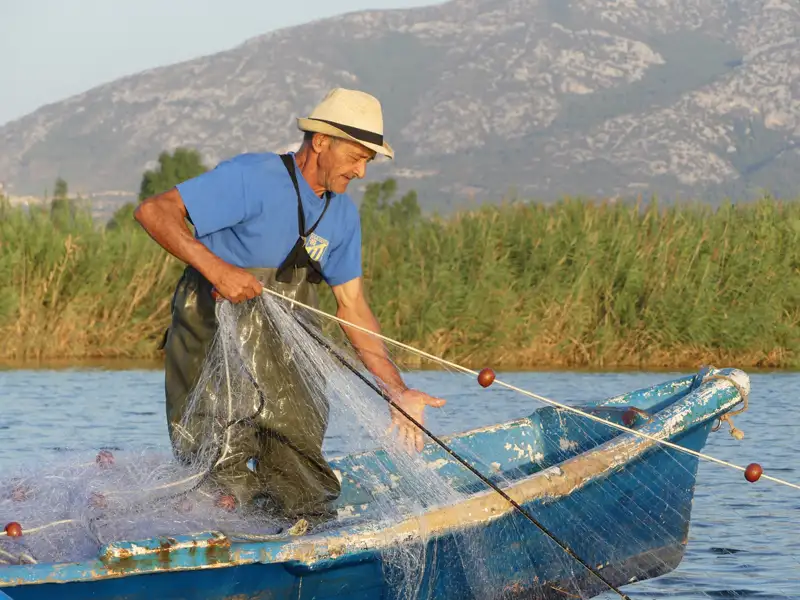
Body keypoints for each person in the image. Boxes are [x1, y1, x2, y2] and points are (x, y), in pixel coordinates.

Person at [134, 88, 446, 525]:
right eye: (356, 157)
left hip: (286, 351)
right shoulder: (253, 176)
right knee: (217, 456)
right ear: (321, 141)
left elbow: (353, 306)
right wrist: (218, 270)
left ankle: (304, 537)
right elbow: (154, 211)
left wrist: (397, 390)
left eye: (367, 162)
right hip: (212, 338)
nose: (360, 171)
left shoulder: (342, 216)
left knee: (298, 450)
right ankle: (222, 542)